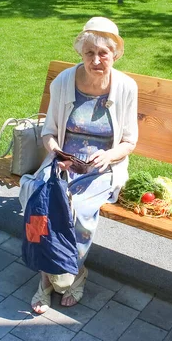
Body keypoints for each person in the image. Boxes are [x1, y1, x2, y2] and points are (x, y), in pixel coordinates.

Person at [19, 17, 138, 314]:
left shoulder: (125, 87)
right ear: (81, 53)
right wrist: (56, 152)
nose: (96, 60)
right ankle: (47, 277)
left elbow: (129, 142)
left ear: (115, 54)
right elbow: (48, 132)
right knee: (39, 199)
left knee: (79, 211)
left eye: (103, 54)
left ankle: (74, 269)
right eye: (89, 53)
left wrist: (108, 156)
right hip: (62, 161)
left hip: (102, 167)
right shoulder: (64, 82)